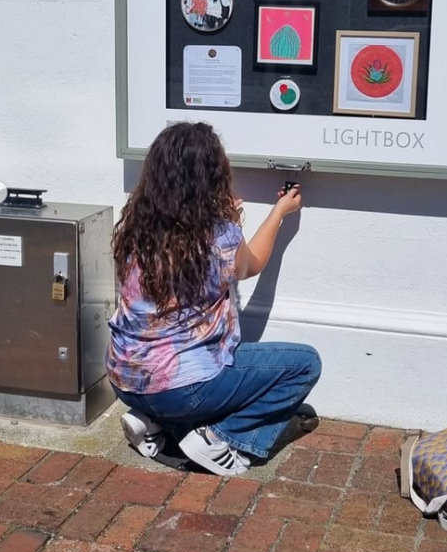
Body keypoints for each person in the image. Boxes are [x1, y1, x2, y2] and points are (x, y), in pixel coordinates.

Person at [107, 122, 322, 476]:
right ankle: (220, 437)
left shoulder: (136, 228)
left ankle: (152, 422)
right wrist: (279, 212)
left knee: (187, 388)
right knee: (306, 364)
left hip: (125, 379)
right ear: (213, 177)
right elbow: (251, 265)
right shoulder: (219, 235)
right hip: (181, 388)